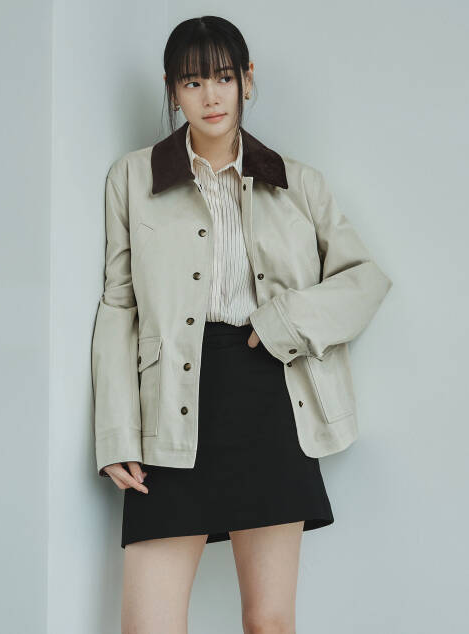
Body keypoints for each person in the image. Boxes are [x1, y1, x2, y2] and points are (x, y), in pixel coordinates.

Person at [91, 15, 392, 634]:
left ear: (247, 81)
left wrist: (287, 319)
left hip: (269, 399)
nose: (211, 96)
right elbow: (119, 306)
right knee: (148, 626)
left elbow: (364, 280)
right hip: (171, 405)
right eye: (192, 82)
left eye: (223, 78)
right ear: (172, 91)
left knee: (269, 622)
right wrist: (117, 432)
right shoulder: (134, 177)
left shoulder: (296, 182)